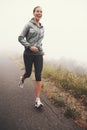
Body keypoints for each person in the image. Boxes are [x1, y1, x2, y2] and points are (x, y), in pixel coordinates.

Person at [18, 6, 44, 108]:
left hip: (38, 55)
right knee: (28, 73)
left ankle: (37, 100)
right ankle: (22, 78)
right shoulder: (28, 25)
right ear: (33, 13)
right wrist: (29, 46)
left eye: (41, 12)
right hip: (28, 54)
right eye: (37, 11)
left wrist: (41, 50)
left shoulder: (42, 27)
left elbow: (40, 42)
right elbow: (20, 38)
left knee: (38, 75)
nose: (39, 13)